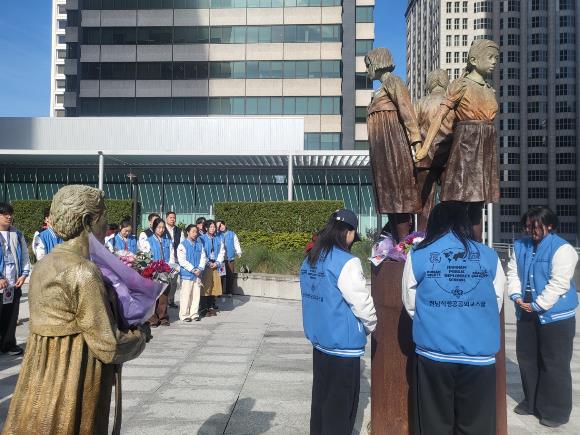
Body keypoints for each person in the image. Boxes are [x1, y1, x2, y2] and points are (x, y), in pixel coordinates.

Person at [2, 186, 145, 434]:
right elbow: (108, 345)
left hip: (39, 378)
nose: (107, 223)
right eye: (104, 216)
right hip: (73, 379)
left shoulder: (43, 265)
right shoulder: (83, 271)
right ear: (88, 221)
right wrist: (140, 335)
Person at [402, 202, 505, 435]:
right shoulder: (489, 256)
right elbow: (496, 300)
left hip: (434, 353)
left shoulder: (418, 254)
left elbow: (410, 302)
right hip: (479, 355)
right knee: (477, 425)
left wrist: (433, 319)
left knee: (433, 423)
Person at [300, 209, 377, 435]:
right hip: (343, 346)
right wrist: (371, 325)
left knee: (321, 403)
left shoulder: (311, 257)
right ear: (349, 232)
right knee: (341, 410)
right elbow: (361, 303)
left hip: (320, 342)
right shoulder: (347, 262)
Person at [416, 39, 500, 241]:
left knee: (478, 203)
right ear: (474, 59)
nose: (494, 62)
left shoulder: (490, 89)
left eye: (496, 58)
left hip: (486, 145)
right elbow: (440, 115)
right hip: (466, 144)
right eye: (490, 57)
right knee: (460, 199)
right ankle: (454, 242)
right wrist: (425, 146)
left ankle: (476, 247)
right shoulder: (461, 85)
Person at [507, 207, 578, 428]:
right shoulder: (520, 245)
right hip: (525, 308)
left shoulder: (563, 249)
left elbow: (559, 282)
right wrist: (516, 296)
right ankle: (532, 402)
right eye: (528, 226)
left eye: (536, 226)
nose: (531, 230)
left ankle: (556, 411)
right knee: (527, 358)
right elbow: (513, 272)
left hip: (555, 314)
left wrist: (539, 304)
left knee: (554, 362)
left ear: (550, 226)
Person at [365, 47, 422, 242]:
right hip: (381, 151)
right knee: (389, 197)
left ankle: (404, 244)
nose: (367, 70)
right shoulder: (379, 91)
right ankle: (396, 243)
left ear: (377, 63)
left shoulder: (393, 82)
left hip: (394, 148)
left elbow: (407, 111)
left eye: (368, 65)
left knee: (399, 196)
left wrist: (416, 142)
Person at [414, 69, 454, 231]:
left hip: (424, 159)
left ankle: (421, 237)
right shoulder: (452, 103)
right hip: (448, 158)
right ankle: (450, 234)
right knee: (450, 201)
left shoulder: (420, 103)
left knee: (424, 204)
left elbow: (412, 129)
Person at [0, 203, 30, 356]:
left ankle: (8, 344)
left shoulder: (17, 234)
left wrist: (24, 275)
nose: (9, 216)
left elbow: (25, 255)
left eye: (10, 213)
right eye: (5, 214)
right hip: (1, 282)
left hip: (13, 282)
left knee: (11, 316)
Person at [142, 218, 174, 327]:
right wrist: (151, 268)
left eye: (163, 227)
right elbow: (146, 257)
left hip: (165, 271)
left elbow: (172, 255)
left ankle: (163, 317)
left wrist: (169, 267)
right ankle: (152, 319)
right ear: (154, 228)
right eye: (159, 227)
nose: (161, 229)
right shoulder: (148, 240)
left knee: (164, 296)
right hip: (153, 272)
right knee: (153, 296)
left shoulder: (167, 240)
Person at [177, 225, 207, 322]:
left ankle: (194, 314)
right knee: (185, 295)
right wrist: (193, 269)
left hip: (198, 274)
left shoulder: (199, 245)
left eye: (196, 232)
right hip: (187, 274)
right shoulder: (182, 245)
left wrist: (200, 268)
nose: (195, 234)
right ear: (188, 232)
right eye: (193, 231)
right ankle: (184, 315)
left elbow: (203, 258)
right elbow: (182, 260)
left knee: (196, 295)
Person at [199, 220, 225, 317]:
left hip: (216, 265)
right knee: (205, 287)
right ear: (206, 228)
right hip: (206, 265)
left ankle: (211, 307)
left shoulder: (218, 238)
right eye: (211, 227)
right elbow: (201, 252)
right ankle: (203, 308)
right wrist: (208, 262)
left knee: (214, 286)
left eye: (214, 227)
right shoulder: (201, 238)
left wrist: (217, 262)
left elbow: (222, 251)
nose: (213, 229)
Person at [218, 221, 242, 296]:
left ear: (225, 225)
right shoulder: (218, 235)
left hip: (230, 258)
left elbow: (236, 243)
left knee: (230, 275)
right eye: (219, 226)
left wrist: (239, 252)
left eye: (222, 225)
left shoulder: (232, 234)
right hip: (221, 259)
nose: (221, 227)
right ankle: (220, 292)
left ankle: (229, 292)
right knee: (221, 275)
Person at [164, 211, 181, 308]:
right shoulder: (162, 228)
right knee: (165, 280)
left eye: (174, 218)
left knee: (174, 281)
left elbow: (182, 244)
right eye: (170, 217)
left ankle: (171, 300)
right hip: (165, 259)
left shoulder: (179, 230)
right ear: (166, 218)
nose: (173, 219)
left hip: (176, 259)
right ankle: (164, 301)